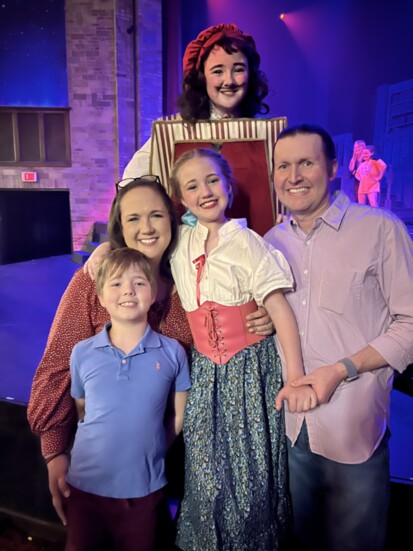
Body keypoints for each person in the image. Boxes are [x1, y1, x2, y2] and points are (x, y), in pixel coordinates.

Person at [27, 176, 272, 527]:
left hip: (164, 462)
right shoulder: (92, 283)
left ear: (172, 223)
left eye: (156, 215)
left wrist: (264, 314)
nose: (146, 228)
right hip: (98, 465)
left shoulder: (188, 286)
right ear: (119, 228)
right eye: (133, 218)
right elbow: (57, 366)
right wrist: (54, 451)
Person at [264, 123, 413, 551]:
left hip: (355, 427)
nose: (294, 176)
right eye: (283, 166)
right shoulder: (271, 243)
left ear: (332, 169)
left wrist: (342, 369)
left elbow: (409, 323)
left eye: (306, 163)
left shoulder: (380, 230)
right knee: (304, 541)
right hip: (295, 428)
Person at [168, 148, 317, 550]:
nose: (205, 191)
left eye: (213, 180)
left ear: (229, 187)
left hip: (249, 370)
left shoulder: (247, 242)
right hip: (204, 372)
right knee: (203, 466)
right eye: (193, 186)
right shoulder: (181, 241)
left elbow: (278, 310)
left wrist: (295, 376)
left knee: (247, 469)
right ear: (181, 198)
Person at [64, 247, 191, 551]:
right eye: (117, 283)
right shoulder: (81, 353)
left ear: (153, 293)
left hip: (144, 492)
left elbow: (177, 417)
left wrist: (151, 448)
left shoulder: (173, 352)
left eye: (139, 282)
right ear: (101, 295)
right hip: (85, 491)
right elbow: (83, 410)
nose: (128, 291)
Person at [123, 23, 269, 178]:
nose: (229, 81)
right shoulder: (173, 132)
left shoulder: (265, 131)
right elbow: (130, 183)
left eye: (239, 69)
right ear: (202, 78)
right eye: (218, 71)